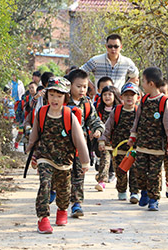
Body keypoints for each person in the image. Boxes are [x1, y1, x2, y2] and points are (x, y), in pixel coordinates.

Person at [25, 77, 90, 234]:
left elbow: (79, 140)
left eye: (59, 96)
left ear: (65, 98)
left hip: (64, 161)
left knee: (63, 191)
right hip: (44, 157)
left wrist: (84, 162)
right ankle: (43, 218)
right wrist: (31, 152)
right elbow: (35, 134)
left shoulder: (69, 115)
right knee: (45, 184)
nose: (55, 99)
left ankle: (62, 210)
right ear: (47, 96)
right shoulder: (41, 113)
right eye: (52, 95)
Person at [128, 67, 168, 211]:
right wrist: (132, 135)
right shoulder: (143, 100)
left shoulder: (164, 102)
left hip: (157, 147)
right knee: (140, 171)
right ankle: (144, 192)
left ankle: (154, 199)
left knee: (154, 174)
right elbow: (138, 120)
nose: (141, 83)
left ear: (151, 83)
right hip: (142, 145)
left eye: (143, 81)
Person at [66, 69, 105, 218]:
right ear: (69, 86)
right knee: (61, 175)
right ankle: (54, 192)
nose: (82, 90)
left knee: (78, 175)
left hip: (79, 147)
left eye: (85, 87)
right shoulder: (61, 100)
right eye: (78, 86)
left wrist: (98, 130)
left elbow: (95, 120)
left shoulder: (87, 103)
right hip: (60, 146)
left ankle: (76, 204)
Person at [98, 82, 140, 202]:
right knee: (120, 172)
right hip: (118, 149)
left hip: (134, 150)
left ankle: (134, 192)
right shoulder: (116, 111)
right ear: (121, 97)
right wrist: (102, 140)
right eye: (126, 95)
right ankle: (121, 191)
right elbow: (108, 127)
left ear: (138, 97)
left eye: (132, 95)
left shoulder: (139, 112)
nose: (129, 98)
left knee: (135, 171)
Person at [94, 86, 122, 191]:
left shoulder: (120, 109)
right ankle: (102, 181)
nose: (107, 97)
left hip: (117, 141)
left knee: (117, 162)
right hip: (103, 140)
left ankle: (120, 183)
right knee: (105, 159)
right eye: (104, 94)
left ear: (115, 96)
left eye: (109, 94)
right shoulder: (99, 110)